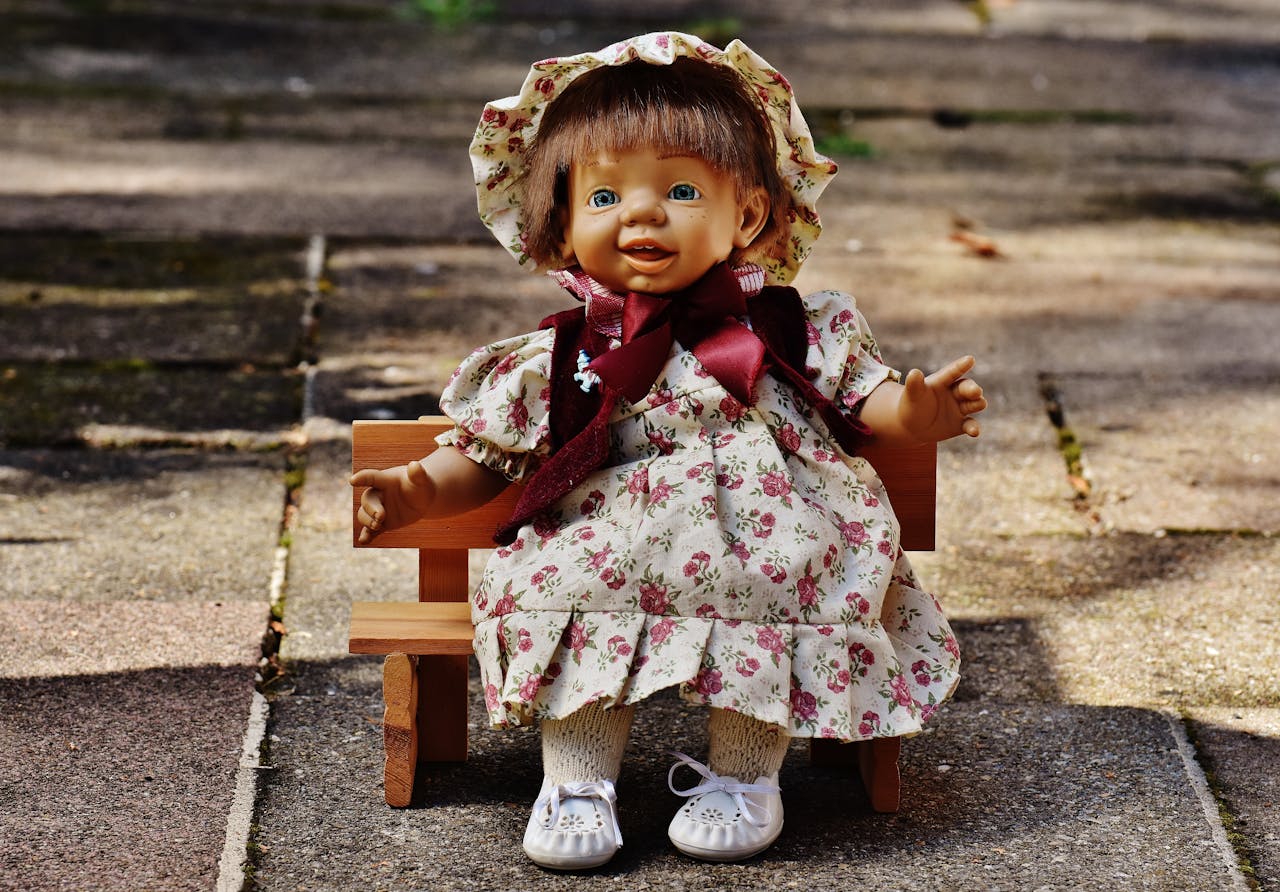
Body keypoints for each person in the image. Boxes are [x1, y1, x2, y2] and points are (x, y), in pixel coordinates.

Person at [351, 32, 986, 870]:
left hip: (764, 530)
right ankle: (575, 782)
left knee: (782, 574)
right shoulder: (564, 353)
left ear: (748, 212)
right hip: (610, 534)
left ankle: (746, 778)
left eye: (681, 189)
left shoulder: (795, 327)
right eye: (605, 195)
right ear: (564, 218)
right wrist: (416, 490)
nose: (642, 214)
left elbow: (867, 403)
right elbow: (489, 454)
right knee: (565, 584)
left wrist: (916, 411)